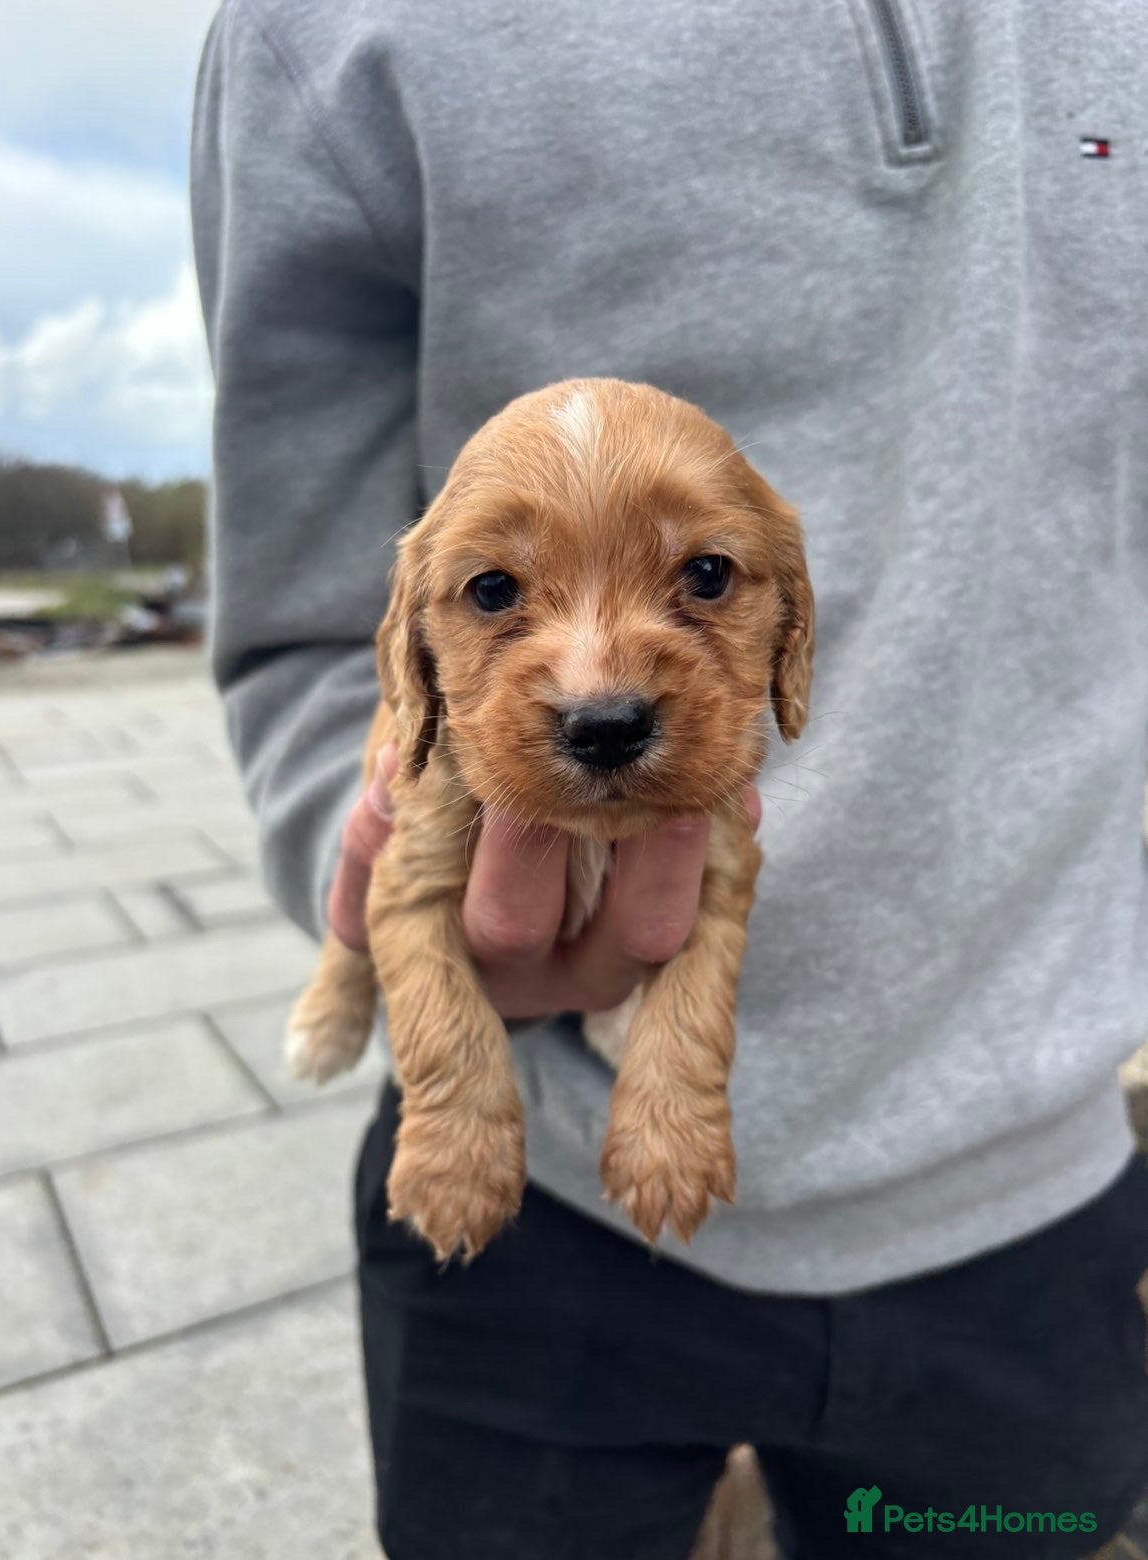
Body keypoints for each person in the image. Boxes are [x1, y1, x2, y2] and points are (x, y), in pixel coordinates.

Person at [190, 2, 1148, 1555]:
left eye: (700, 581)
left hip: (1034, 1188)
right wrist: (366, 899)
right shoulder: (325, 33)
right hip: (532, 1234)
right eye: (500, 598)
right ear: (421, 635)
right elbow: (307, 630)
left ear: (786, 622)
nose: (597, 683)